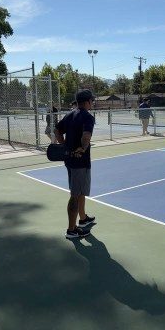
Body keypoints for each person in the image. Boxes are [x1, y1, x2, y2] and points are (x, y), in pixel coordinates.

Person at [54, 90, 98, 240]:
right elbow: (86, 136)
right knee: (75, 195)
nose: (93, 102)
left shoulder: (69, 115)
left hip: (70, 161)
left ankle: (83, 218)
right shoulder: (87, 117)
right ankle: (71, 230)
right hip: (80, 162)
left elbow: (57, 130)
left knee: (80, 192)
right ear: (87, 102)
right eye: (92, 100)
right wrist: (83, 148)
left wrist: (65, 146)